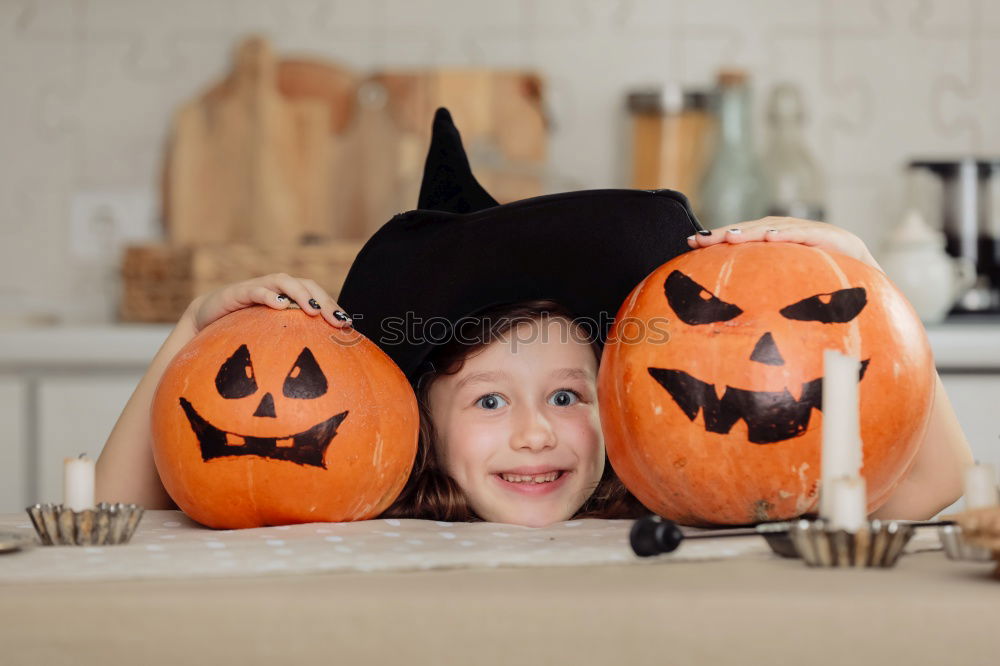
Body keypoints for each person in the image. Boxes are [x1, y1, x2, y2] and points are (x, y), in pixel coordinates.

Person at [96, 109, 973, 526]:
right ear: (422, 434)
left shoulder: (688, 503)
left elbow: (932, 483)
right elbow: (114, 507)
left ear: (625, 407)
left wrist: (859, 275)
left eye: (567, 396)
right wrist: (194, 331)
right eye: (486, 401)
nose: (533, 435)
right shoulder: (367, 511)